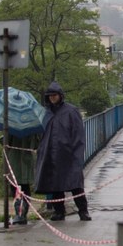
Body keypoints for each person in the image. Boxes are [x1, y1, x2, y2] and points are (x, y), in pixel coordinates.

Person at [34, 81, 91, 221]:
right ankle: (59, 211)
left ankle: (83, 210)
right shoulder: (46, 113)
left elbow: (78, 134)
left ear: (60, 95)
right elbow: (41, 133)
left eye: (55, 95)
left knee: (75, 184)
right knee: (55, 185)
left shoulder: (71, 111)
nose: (52, 98)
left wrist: (77, 154)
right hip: (51, 154)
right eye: (50, 96)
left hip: (69, 154)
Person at [1, 134, 39, 225]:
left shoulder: (11, 127)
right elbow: (36, 145)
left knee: (15, 188)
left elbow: (5, 141)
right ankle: (22, 214)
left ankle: (20, 214)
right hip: (27, 161)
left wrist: (1, 139)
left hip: (14, 161)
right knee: (25, 188)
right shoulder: (32, 128)